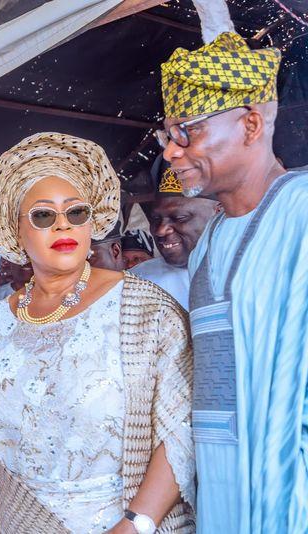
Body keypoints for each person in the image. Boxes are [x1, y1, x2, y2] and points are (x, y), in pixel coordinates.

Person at [0, 132, 195, 533]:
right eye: (43, 215)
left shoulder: (144, 308)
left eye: (76, 212)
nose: (62, 225)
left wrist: (135, 524)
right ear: (16, 231)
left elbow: (182, 428)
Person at [159, 32, 307, 532]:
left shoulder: (302, 212)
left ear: (250, 124)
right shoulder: (211, 238)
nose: (173, 153)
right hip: (218, 495)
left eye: (188, 132)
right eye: (167, 137)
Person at [132, 156, 218, 309]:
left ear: (218, 212)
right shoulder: (138, 283)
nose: (160, 230)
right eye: (156, 219)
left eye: (180, 217)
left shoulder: (252, 273)